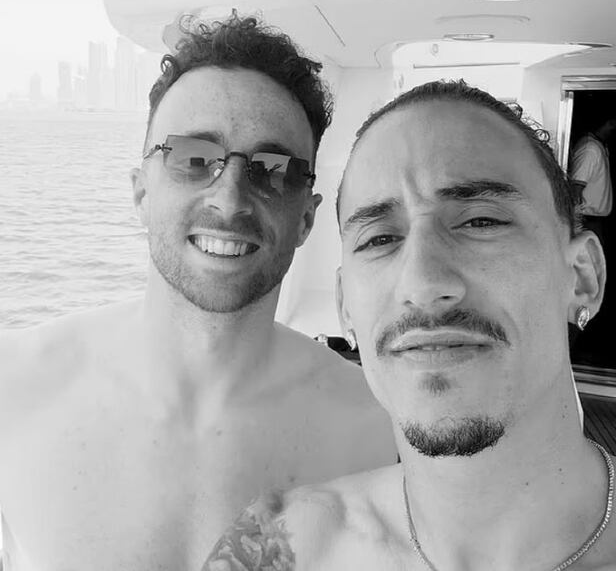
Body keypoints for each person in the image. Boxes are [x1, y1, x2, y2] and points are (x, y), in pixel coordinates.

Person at [0, 14, 396, 571]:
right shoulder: (13, 391)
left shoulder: (380, 429)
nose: (230, 200)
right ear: (141, 191)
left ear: (306, 218)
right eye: (193, 159)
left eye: (273, 169)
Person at [204, 80, 616, 570]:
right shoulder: (275, 549)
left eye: (480, 221)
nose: (422, 283)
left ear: (582, 276)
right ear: (346, 307)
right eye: (379, 239)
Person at [569, 118, 615, 244]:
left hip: (592, 220)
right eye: (611, 123)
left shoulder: (598, 146)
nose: (613, 127)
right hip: (586, 220)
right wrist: (575, 224)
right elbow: (576, 187)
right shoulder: (590, 149)